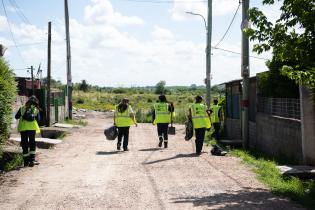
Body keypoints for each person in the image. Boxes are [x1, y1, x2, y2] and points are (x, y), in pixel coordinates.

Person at [15, 95, 41, 167]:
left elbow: (16, 117)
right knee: (32, 143)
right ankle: (32, 160)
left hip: (23, 129)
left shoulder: (22, 108)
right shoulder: (36, 109)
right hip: (32, 128)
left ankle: (26, 162)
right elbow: (39, 120)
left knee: (24, 144)